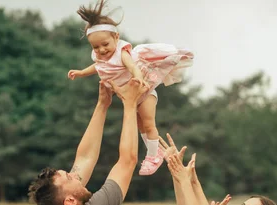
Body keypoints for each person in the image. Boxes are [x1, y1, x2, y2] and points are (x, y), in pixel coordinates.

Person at [68, 0, 194, 176]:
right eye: (96, 47)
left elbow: (133, 67)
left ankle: (153, 156)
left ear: (116, 38)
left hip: (145, 92)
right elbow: (96, 66)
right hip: (131, 98)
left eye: (105, 44)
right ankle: (155, 150)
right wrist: (81, 72)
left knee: (149, 124)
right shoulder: (101, 57)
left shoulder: (122, 53)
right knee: (141, 125)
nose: (101, 50)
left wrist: (139, 79)